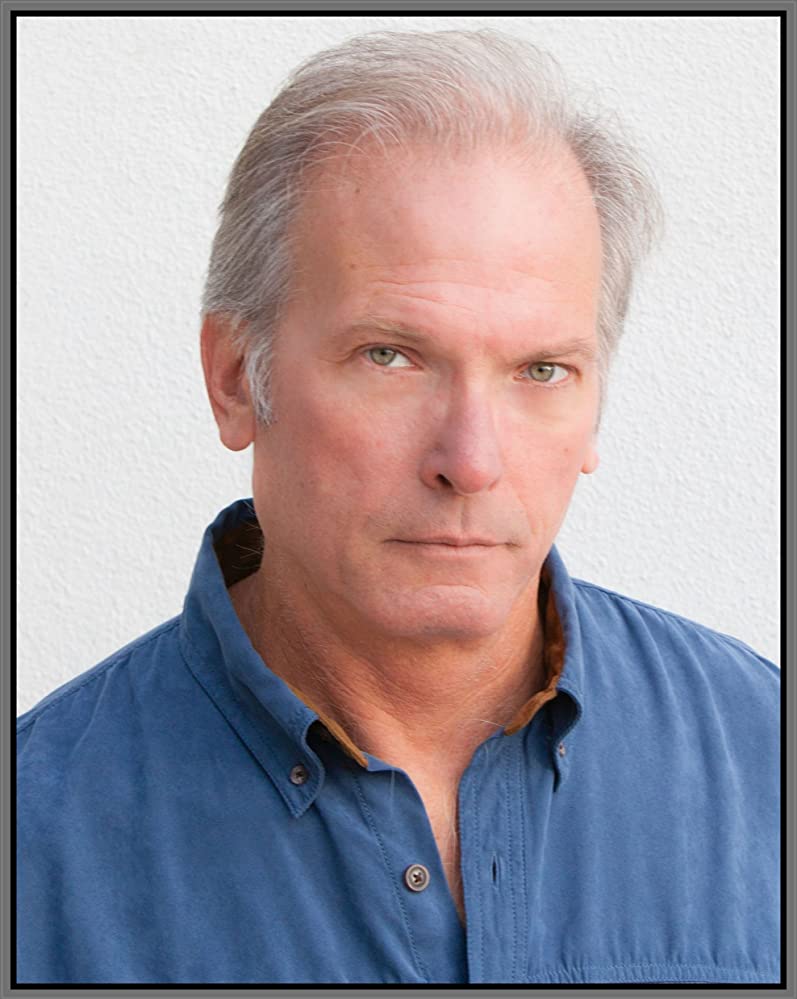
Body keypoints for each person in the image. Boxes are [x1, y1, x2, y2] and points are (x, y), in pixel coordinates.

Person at [17, 29, 779, 985]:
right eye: (391, 356)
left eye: (541, 370)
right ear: (233, 378)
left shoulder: (764, 756)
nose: (471, 461)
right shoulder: (33, 849)